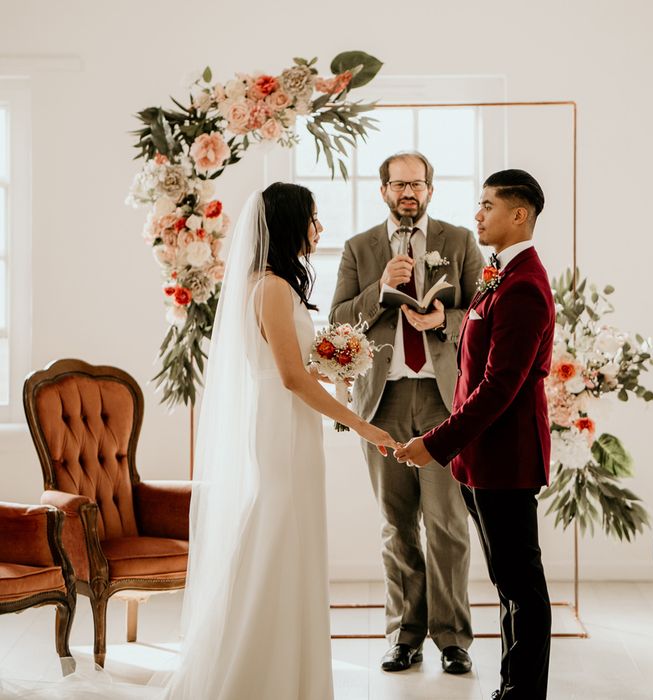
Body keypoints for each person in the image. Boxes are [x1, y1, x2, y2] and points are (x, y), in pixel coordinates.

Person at [0, 183, 396, 700]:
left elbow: (292, 369)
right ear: (288, 224)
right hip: (281, 433)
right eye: (313, 218)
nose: (319, 229)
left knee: (283, 541)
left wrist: (333, 366)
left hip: (286, 426)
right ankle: (264, 674)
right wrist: (361, 423)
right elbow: (290, 377)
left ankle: (283, 671)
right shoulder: (273, 287)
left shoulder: (269, 284)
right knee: (277, 540)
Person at [394, 169, 555, 700]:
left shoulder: (526, 286)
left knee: (520, 586)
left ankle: (523, 693)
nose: (478, 214)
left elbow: (498, 389)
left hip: (506, 460)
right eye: (478, 204)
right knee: (507, 584)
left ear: (520, 215)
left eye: (488, 205)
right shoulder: (501, 275)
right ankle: (511, 688)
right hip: (480, 460)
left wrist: (436, 443)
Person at [330, 151, 484, 674]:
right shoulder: (359, 248)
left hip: (445, 401)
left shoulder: (460, 240)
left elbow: (482, 314)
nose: (408, 192)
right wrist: (381, 288)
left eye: (417, 184)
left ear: (431, 190)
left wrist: (446, 318)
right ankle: (404, 635)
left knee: (446, 523)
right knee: (396, 525)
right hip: (383, 402)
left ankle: (453, 638)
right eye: (399, 185)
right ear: (384, 192)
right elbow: (337, 323)